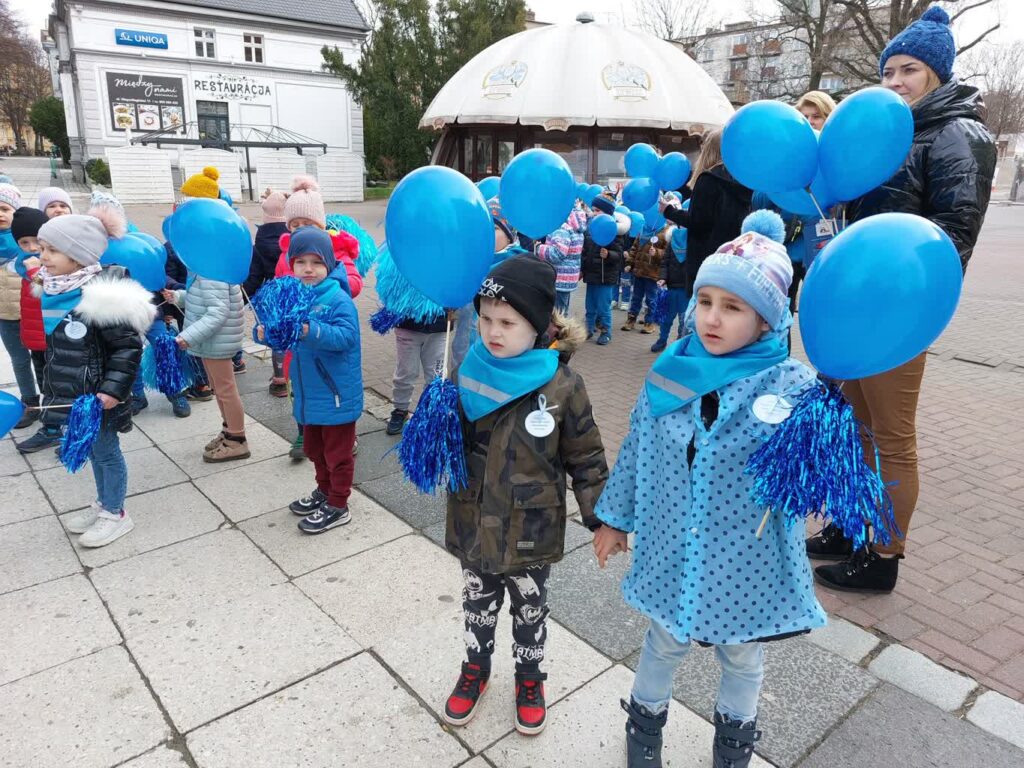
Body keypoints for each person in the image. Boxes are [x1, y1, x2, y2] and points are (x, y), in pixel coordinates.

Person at [594, 212, 826, 768]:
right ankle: (644, 733)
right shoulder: (670, 373)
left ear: (767, 319)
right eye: (705, 302)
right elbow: (637, 446)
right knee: (662, 643)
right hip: (673, 543)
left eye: (733, 307)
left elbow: (813, 475)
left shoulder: (791, 385)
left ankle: (734, 746)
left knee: (742, 658)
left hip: (747, 556)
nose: (712, 318)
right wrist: (615, 519)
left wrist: (827, 421)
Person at [809, 5, 997, 594]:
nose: (895, 82)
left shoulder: (956, 134)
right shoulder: (893, 131)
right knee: (856, 427)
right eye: (888, 71)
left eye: (909, 70)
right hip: (855, 300)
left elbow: (957, 230)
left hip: (898, 311)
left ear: (937, 73)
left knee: (890, 435)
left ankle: (883, 554)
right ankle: (849, 525)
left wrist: (908, 303)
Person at [442, 254, 608, 737]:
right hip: (474, 517)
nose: (493, 332)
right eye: (486, 319)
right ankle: (476, 668)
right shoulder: (467, 369)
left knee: (530, 609)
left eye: (508, 323)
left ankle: (530, 677)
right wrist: (433, 424)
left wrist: (601, 518)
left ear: (536, 325)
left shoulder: (562, 386)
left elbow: (586, 457)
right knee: (478, 603)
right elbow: (450, 442)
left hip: (530, 526)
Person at [36, 213, 156, 547]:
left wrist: (112, 390)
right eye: (42, 248)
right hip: (74, 393)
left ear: (78, 256)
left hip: (99, 396)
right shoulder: (54, 289)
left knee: (106, 453)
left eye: (52, 250)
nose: (43, 257)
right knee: (92, 451)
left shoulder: (102, 297)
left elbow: (126, 348)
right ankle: (104, 503)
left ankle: (116, 513)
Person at [261, 227, 363, 534]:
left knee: (338, 454)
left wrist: (310, 330)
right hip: (307, 394)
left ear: (329, 264)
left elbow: (346, 337)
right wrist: (264, 333)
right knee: (315, 449)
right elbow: (281, 334)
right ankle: (324, 490)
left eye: (316, 262)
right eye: (301, 262)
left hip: (335, 394)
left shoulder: (338, 299)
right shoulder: (293, 296)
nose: (308, 269)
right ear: (291, 264)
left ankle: (339, 504)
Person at [273, 175, 363, 459]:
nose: (301, 229)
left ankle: (345, 433)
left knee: (331, 387)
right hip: (296, 338)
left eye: (308, 224)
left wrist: (333, 286)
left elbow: (353, 281)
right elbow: (279, 283)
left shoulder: (333, 251)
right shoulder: (288, 255)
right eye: (295, 224)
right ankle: (304, 429)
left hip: (325, 321)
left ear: (321, 226)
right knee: (298, 382)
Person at [162, 187, 248, 462]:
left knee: (225, 389)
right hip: (210, 340)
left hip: (217, 341)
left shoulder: (212, 272)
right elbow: (201, 300)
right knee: (220, 389)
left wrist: (187, 336)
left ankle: (237, 438)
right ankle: (228, 430)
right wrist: (178, 297)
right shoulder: (205, 266)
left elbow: (217, 312)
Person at [662, 129, 753, 289]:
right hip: (732, 257)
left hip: (705, 260)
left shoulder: (709, 180)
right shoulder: (745, 181)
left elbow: (698, 221)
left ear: (709, 149)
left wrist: (669, 211)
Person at [0, 183, 41, 436]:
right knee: (19, 359)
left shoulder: (27, 243)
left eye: (4, 209)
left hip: (33, 314)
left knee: (42, 360)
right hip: (5, 315)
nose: (0, 214)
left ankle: (52, 401)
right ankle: (30, 401)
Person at [242, 188, 290, 397]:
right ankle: (293, 373)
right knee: (294, 332)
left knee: (274, 332)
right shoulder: (295, 238)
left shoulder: (258, 244)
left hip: (269, 296)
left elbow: (254, 277)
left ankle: (280, 379)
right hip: (294, 293)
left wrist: (241, 297)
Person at [9, 207, 49, 437]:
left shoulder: (50, 263)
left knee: (57, 378)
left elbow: (48, 288)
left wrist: (35, 271)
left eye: (37, 240)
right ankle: (48, 414)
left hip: (52, 333)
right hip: (34, 334)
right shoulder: (22, 264)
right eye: (24, 242)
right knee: (42, 375)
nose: (32, 247)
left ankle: (56, 421)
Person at [581, 195, 625, 346]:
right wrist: (582, 269)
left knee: (603, 307)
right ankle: (588, 329)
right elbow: (585, 252)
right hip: (591, 275)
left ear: (607, 212)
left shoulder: (614, 230)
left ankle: (606, 332)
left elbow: (619, 255)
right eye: (593, 210)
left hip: (605, 277)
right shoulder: (590, 229)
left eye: (598, 210)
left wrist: (609, 255)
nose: (594, 213)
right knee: (590, 305)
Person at [534, 204, 586, 316]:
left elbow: (557, 254)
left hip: (559, 277)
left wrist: (538, 248)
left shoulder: (562, 229)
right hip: (567, 277)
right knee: (562, 311)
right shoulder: (575, 227)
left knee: (558, 315)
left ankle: (560, 328)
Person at [622, 218, 669, 334]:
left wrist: (657, 252)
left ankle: (649, 322)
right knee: (636, 298)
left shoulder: (666, 232)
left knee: (651, 299)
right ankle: (631, 319)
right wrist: (629, 263)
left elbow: (668, 253)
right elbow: (634, 248)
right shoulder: (643, 229)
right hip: (639, 271)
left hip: (652, 273)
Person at [650, 222, 689, 353]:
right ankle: (662, 340)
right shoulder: (672, 243)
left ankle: (680, 342)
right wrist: (662, 278)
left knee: (684, 319)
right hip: (671, 288)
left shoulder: (695, 244)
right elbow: (664, 263)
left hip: (686, 289)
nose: (682, 228)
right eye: (680, 225)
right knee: (666, 318)